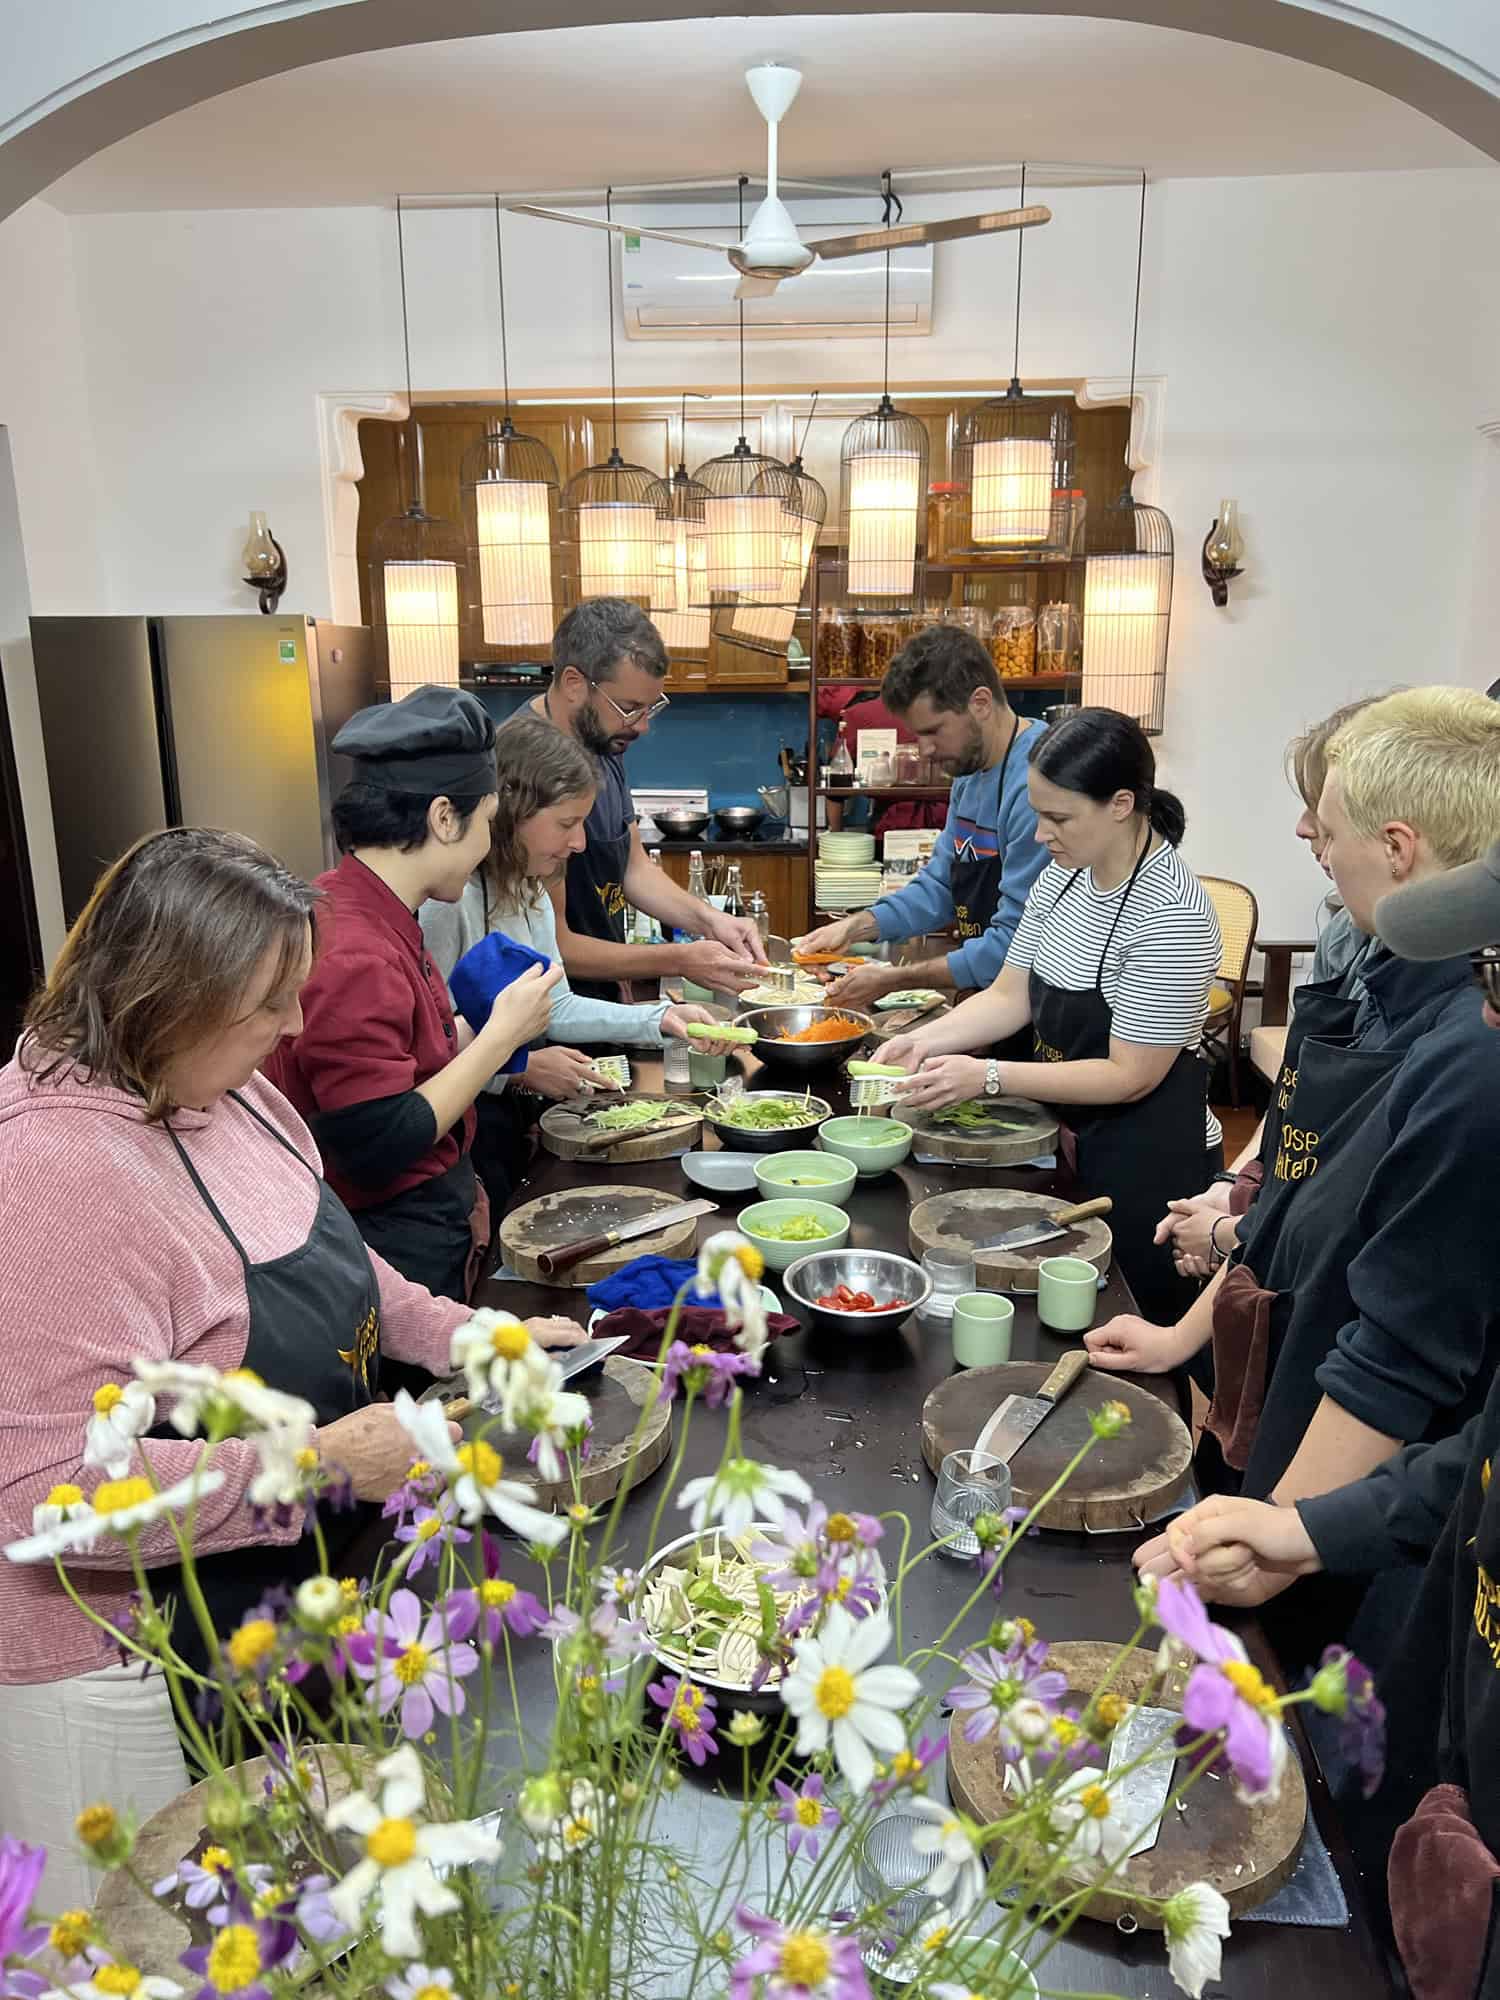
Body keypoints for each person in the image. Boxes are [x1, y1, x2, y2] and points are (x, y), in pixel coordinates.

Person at [0, 828, 582, 1900]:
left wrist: (474, 1334)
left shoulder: (234, 1094)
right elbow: (41, 1498)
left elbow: (342, 1264)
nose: (297, 1027)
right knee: (156, 1931)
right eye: (272, 1001)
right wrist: (314, 1461)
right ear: (170, 998)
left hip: (264, 1600)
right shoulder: (54, 1171)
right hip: (125, 1666)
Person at [1136, 841, 1500, 2000]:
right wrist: (1303, 1530)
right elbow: (1480, 1457)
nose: (1491, 1011)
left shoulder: (1467, 1083)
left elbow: (1402, 1356)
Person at [1087, 689, 1500, 1637]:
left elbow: (1402, 1346)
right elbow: (1293, 1196)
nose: (1309, 831)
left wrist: (1296, 1529)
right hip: (1300, 1410)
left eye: (1332, 819)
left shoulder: (1467, 1048)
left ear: (1398, 849)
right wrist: (1183, 1339)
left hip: (1376, 1492)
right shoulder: (1384, 985)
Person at [882, 706, 1222, 1323]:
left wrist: (988, 1077)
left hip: (1147, 1156)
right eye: (1038, 813)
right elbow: (1011, 996)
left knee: (1132, 1320)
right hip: (1067, 1132)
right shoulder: (1062, 879)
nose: (1040, 834)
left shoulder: (1171, 912)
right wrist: (922, 1042)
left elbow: (1130, 1075)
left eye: (1057, 817)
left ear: (1121, 804)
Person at [266, 685, 558, 1314]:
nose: (487, 846)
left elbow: (411, 1059)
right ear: (444, 818)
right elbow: (376, 1144)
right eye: (485, 823)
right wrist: (500, 1038)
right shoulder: (354, 951)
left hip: (428, 1212)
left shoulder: (370, 906)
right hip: (388, 1239)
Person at [419, 717, 741, 1208]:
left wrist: (664, 1019)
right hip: (458, 1136)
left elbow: (559, 1005)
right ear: (511, 813)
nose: (579, 844)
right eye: (567, 824)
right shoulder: (449, 901)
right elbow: (429, 1050)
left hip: (510, 1118)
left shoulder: (530, 887)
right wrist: (519, 1070)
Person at [1155, 697, 1380, 1279]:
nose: (1304, 827)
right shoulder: (1344, 933)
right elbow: (1296, 1096)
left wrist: (1236, 1229)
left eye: (1319, 809)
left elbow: (1353, 1178)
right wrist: (1235, 1187)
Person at [794, 626, 1048, 1013]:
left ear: (980, 703)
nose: (925, 750)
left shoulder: (1037, 783)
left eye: (933, 731)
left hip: (1038, 1012)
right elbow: (940, 886)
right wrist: (856, 925)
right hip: (994, 1004)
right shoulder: (969, 773)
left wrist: (895, 978)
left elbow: (1014, 945)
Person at [525, 599, 767, 1001]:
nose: (642, 725)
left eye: (651, 707)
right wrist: (680, 959)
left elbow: (633, 867)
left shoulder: (603, 742)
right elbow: (556, 947)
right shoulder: (526, 765)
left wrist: (711, 921)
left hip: (603, 999)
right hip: (552, 1023)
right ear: (573, 684)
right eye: (630, 708)